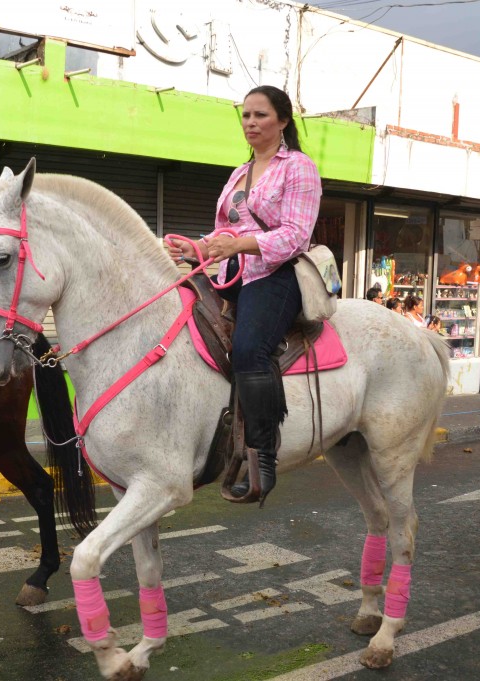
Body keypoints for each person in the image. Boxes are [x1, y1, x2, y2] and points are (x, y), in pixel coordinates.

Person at [167, 84, 321, 506]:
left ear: (283, 121)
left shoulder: (299, 168)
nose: (251, 123)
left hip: (276, 274)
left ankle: (262, 459)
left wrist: (239, 246)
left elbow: (295, 235)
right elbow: (224, 231)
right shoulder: (240, 173)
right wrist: (198, 248)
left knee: (250, 349)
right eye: (246, 116)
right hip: (232, 272)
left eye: (261, 115)